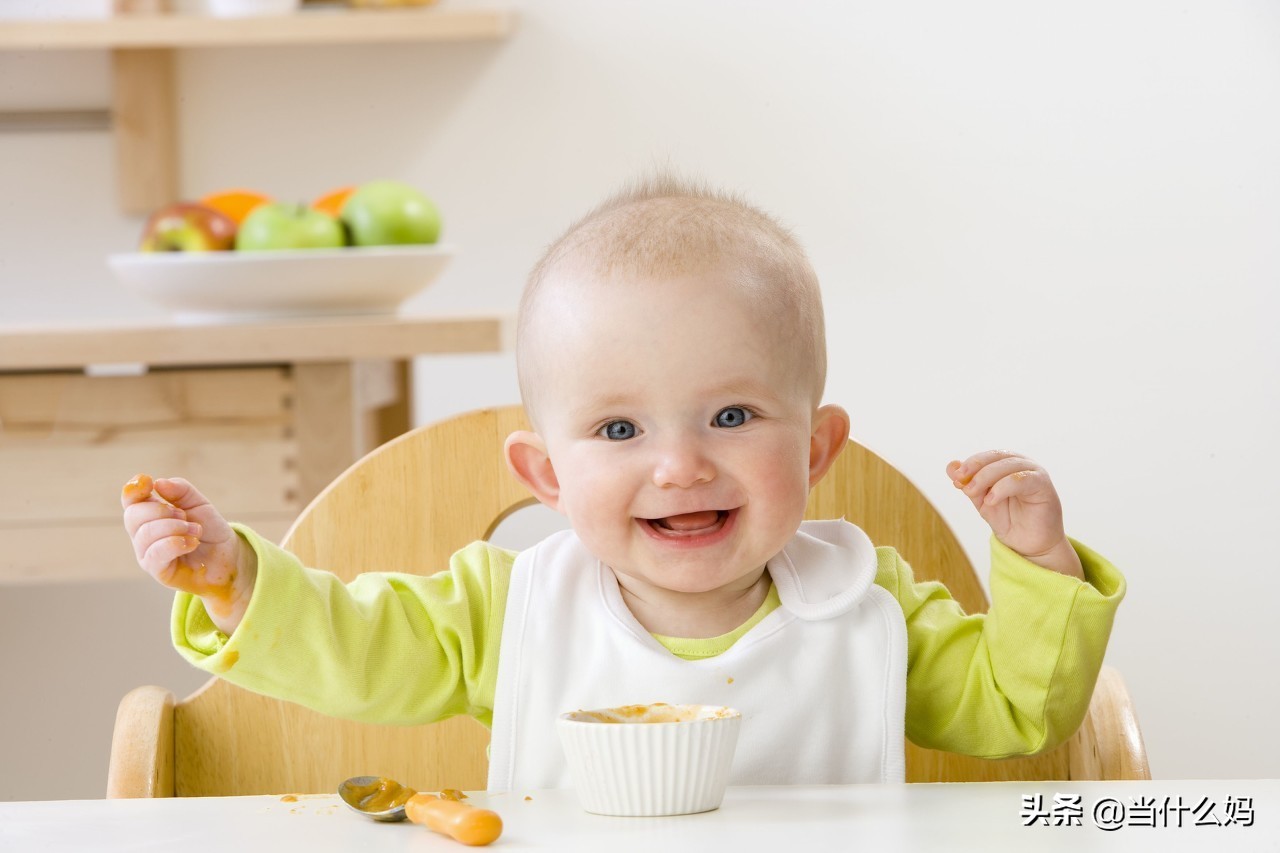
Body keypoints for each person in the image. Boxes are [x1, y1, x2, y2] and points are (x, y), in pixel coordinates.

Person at [121, 174, 1124, 788]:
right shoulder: (507, 611)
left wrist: (1035, 562)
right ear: (546, 475)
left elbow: (1015, 709)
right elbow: (356, 646)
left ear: (816, 450)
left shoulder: (867, 608)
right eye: (617, 427)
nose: (679, 464)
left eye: (731, 416)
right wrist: (235, 582)